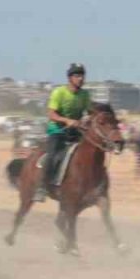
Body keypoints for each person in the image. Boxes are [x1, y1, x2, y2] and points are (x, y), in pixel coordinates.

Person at [37, 62, 91, 202]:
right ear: (70, 78)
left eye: (82, 76)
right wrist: (67, 121)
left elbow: (89, 112)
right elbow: (51, 114)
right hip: (57, 130)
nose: (81, 79)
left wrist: (88, 118)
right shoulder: (59, 92)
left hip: (76, 131)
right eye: (77, 75)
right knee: (52, 155)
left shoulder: (85, 95)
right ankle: (42, 187)